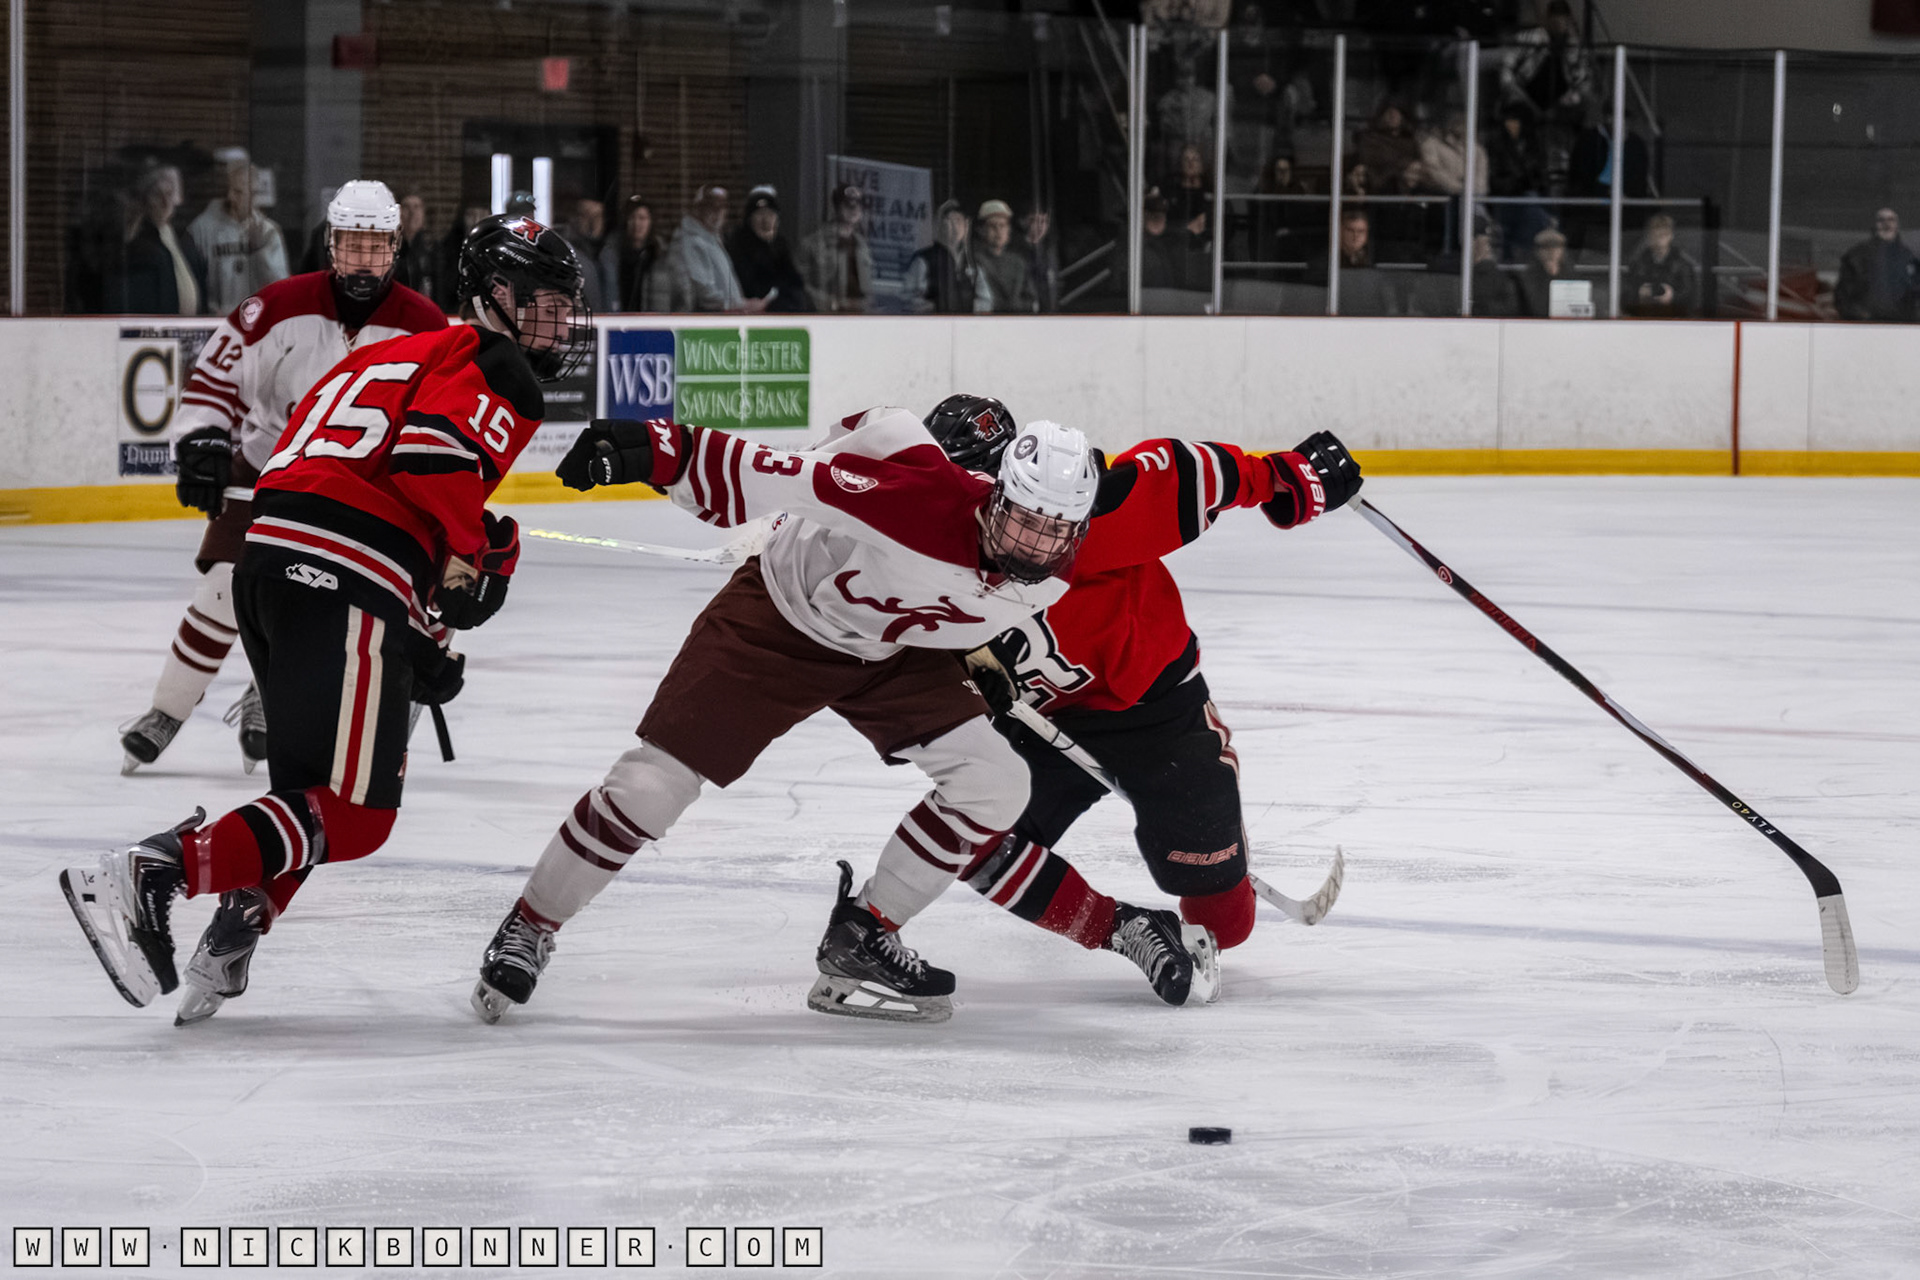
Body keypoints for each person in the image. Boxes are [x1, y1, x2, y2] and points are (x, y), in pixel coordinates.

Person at [63, 212, 592, 1026]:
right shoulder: (496, 364)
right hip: (344, 572)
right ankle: (153, 872)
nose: (560, 322)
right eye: (546, 302)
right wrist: (488, 552)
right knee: (359, 815)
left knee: (308, 800)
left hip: (271, 565)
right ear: (495, 298)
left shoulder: (387, 352)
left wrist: (417, 625)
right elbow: (431, 463)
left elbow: (362, 465)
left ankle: (234, 933)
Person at [470, 412, 1102, 1026]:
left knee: (996, 780)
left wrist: (974, 648)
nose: (1036, 543)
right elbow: (779, 474)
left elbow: (965, 592)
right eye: (1024, 520)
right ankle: (531, 923)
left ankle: (867, 932)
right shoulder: (919, 501)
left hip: (887, 653)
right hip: (777, 623)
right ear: (997, 496)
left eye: (1056, 530)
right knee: (650, 787)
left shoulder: (1055, 570)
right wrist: (654, 448)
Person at [919, 398, 1365, 1004]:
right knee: (970, 837)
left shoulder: (1098, 512)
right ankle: (1125, 931)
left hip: (1153, 708)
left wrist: (1290, 478)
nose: (1030, 532)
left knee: (1225, 922)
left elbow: (1193, 472)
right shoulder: (917, 548)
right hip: (1039, 721)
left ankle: (1214, 847)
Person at [119, 179, 449, 779]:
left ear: (396, 247)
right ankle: (167, 710)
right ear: (332, 244)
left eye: (376, 246)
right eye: (353, 243)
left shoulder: (425, 325)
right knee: (226, 587)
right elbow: (217, 375)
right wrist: (201, 439)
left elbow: (442, 415)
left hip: (360, 489)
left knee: (331, 605)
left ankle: (267, 694)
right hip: (270, 468)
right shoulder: (279, 305)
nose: (364, 258)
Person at [188, 158, 289, 316]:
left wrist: (260, 250)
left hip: (258, 323)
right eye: (229, 189)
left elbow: (280, 287)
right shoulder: (202, 229)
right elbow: (192, 283)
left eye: (238, 192)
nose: (230, 197)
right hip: (216, 320)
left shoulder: (268, 231)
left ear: (254, 194)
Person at [108, 162, 207, 316]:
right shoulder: (138, 238)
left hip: (191, 329)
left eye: (169, 194)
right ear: (145, 200)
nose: (165, 202)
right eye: (157, 195)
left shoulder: (182, 236)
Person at [667, 183, 760, 313]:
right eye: (711, 208)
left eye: (721, 208)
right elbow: (704, 294)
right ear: (698, 210)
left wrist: (740, 304)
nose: (717, 214)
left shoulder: (713, 239)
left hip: (721, 322)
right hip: (702, 323)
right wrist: (740, 304)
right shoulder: (690, 242)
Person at [725, 186, 812, 313]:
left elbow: (796, 282)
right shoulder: (739, 246)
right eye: (760, 215)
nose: (766, 221)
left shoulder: (780, 244)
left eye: (771, 214)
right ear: (749, 220)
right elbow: (754, 288)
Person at [904, 199, 990, 313]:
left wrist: (965, 306)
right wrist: (936, 306)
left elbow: (986, 301)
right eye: (950, 220)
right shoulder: (924, 259)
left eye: (959, 221)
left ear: (966, 227)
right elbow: (908, 298)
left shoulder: (972, 263)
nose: (955, 226)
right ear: (941, 225)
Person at [799, 183, 874, 313]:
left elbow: (868, 287)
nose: (854, 209)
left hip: (859, 318)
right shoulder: (813, 243)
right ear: (836, 207)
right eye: (848, 205)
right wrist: (832, 303)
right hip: (827, 317)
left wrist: (867, 305)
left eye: (858, 205)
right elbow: (800, 285)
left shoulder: (862, 245)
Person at [1834, 207, 1918, 323]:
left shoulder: (1909, 258)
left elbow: (1916, 292)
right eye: (1881, 220)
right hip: (1866, 328)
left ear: (1897, 225)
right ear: (1874, 225)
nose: (1886, 224)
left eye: (1891, 220)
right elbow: (1843, 296)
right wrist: (1860, 316)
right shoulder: (1857, 256)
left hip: (1902, 328)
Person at [599, 196, 670, 313]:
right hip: (618, 324)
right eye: (632, 218)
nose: (637, 224)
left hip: (655, 324)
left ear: (651, 222)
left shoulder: (662, 255)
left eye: (642, 218)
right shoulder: (611, 255)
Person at [1622, 214, 1700, 318]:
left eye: (1663, 235)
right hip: (1644, 318)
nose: (1659, 240)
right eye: (1655, 235)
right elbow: (1625, 295)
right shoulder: (1638, 265)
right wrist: (1639, 294)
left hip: (1675, 319)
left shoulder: (1683, 266)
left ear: (1671, 236)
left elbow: (1691, 297)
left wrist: (1673, 297)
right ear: (1649, 236)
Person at [975, 199, 1038, 314]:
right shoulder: (975, 261)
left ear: (1009, 230)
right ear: (981, 230)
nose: (998, 231)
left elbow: (1031, 301)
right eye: (992, 226)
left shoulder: (1018, 262)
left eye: (1003, 225)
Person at [559, 199, 608, 312]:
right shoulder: (566, 253)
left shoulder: (608, 253)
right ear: (575, 218)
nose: (593, 222)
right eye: (586, 216)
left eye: (597, 216)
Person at [1517, 226, 1571, 317]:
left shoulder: (1570, 273)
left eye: (1556, 248)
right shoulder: (1528, 276)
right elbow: (1533, 306)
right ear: (1538, 252)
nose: (1552, 252)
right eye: (1546, 248)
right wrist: (1549, 276)